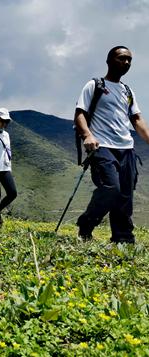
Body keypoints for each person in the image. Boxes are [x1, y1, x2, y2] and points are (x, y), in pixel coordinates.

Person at [74, 46, 149, 243]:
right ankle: (86, 224)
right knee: (111, 188)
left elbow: (137, 120)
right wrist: (88, 135)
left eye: (129, 60)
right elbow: (80, 113)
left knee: (125, 194)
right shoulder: (94, 85)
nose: (126, 63)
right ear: (109, 60)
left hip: (126, 148)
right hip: (102, 146)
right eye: (122, 58)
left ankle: (122, 239)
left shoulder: (127, 90)